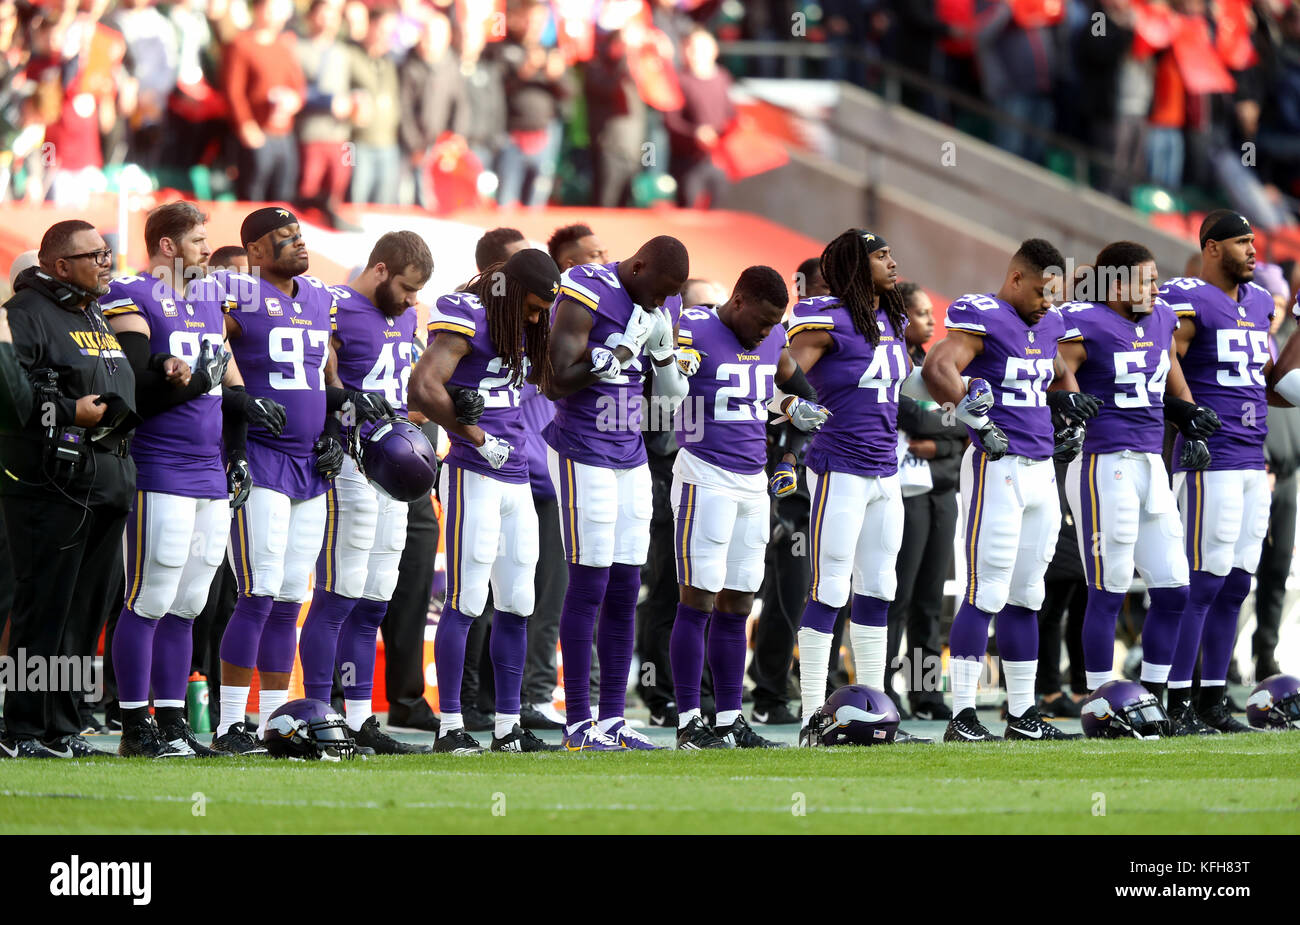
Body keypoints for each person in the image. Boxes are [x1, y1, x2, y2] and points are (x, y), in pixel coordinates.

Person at [207, 207, 385, 753]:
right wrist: (240, 409)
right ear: (256, 252)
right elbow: (206, 353)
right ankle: (229, 724)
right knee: (257, 593)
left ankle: (274, 721)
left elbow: (323, 381)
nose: (298, 245)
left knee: (289, 599)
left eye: (299, 235)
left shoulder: (317, 297)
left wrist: (337, 424)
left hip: (311, 464)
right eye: (283, 240)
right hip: (261, 459)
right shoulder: (233, 293)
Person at [101, 201, 263, 757]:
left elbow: (226, 387)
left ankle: (173, 723)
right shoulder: (135, 293)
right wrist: (192, 383)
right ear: (167, 246)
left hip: (208, 469)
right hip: (160, 464)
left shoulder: (209, 298)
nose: (204, 247)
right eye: (196, 239)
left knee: (190, 602)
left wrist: (237, 451)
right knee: (149, 596)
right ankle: (133, 725)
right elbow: (137, 389)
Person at [919, 238, 1094, 742]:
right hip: (999, 466)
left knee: (1027, 595)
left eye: (1055, 295)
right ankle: (964, 714)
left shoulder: (1052, 323)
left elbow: (1060, 374)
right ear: (1016, 279)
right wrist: (979, 420)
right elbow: (938, 368)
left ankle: (1022, 713)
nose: (1048, 303)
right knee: (985, 590)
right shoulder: (986, 315)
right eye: (1041, 291)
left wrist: (1070, 411)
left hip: (1042, 470)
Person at [1057, 242, 1220, 734]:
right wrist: (1067, 400)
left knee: (1174, 589)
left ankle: (1153, 700)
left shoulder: (1163, 317)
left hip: (1151, 462)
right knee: (1106, 591)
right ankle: (1103, 704)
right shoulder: (1084, 322)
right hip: (1103, 464)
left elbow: (1170, 382)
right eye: (1146, 281)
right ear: (1116, 284)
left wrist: (1190, 420)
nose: (1156, 288)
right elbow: (1048, 370)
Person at [409, 248, 565, 754]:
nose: (538, 317)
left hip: (517, 473)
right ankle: (450, 726)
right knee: (467, 598)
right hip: (473, 472)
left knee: (518, 601)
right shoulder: (468, 312)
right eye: (534, 306)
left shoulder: (526, 324)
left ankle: (506, 726)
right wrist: (470, 433)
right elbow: (423, 384)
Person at [668, 266, 824, 750]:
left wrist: (789, 455)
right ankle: (690, 721)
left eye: (773, 323)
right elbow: (661, 387)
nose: (765, 331)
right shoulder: (691, 325)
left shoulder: (775, 334)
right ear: (737, 302)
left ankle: (730, 718)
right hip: (703, 472)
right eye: (761, 320)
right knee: (697, 599)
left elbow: (807, 398)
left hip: (753, 481)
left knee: (738, 602)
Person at [543, 235, 689, 750]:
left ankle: (612, 720)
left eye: (671, 295)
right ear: (640, 265)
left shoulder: (662, 301)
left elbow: (671, 401)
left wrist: (665, 356)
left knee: (628, 586)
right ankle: (578, 721)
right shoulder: (586, 285)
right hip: (582, 447)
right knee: (590, 583)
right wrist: (617, 352)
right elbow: (554, 379)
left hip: (631, 452)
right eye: (660, 291)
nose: (661, 301)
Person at [0, 220, 137, 758]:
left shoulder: (93, 312)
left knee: (83, 613)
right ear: (60, 266)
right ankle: (22, 730)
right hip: (50, 483)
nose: (107, 262)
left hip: (108, 480)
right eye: (94, 255)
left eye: (107, 253)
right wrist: (69, 413)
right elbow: (11, 401)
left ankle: (62, 726)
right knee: (45, 608)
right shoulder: (26, 314)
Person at [786, 230, 927, 746]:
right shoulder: (825, 320)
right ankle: (812, 716)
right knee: (829, 588)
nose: (893, 262)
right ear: (854, 264)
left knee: (879, 589)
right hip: (837, 466)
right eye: (881, 255)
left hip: (886, 470)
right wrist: (790, 424)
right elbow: (782, 376)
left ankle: (876, 711)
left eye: (891, 252)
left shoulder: (891, 317)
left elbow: (900, 385)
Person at [297, 231, 433, 755]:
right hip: (351, 462)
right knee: (339, 595)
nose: (411, 299)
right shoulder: (332, 306)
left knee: (375, 600)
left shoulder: (408, 317)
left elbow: (406, 391)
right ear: (379, 270)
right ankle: (317, 713)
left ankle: (358, 719)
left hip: (395, 470)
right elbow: (310, 381)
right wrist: (346, 402)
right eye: (405, 286)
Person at [1160, 211, 1273, 734]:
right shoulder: (1188, 298)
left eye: (1254, 240)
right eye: (1242, 241)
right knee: (1201, 583)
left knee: (1235, 586)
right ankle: (1178, 700)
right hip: (1212, 458)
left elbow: (1266, 381)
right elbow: (1162, 359)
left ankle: (1212, 701)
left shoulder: (1261, 303)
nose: (1253, 249)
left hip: (1254, 458)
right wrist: (1187, 412)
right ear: (1211, 248)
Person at [747, 258, 830, 725]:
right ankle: (769, 692)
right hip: (788, 479)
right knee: (788, 591)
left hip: (836, 472)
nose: (826, 296)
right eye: (819, 287)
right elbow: (763, 405)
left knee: (834, 588)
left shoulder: (851, 330)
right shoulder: (787, 334)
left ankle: (824, 684)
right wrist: (786, 455)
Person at [640, 277, 726, 727]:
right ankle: (661, 694)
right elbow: (653, 421)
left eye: (719, 305)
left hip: (719, 480)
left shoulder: (727, 350)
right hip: (668, 473)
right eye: (704, 307)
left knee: (714, 588)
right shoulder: (665, 356)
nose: (714, 315)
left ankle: (706, 692)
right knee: (670, 587)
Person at [886, 281, 960, 720]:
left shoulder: (936, 365)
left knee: (931, 599)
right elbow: (907, 413)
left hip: (941, 490)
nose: (932, 322)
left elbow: (959, 423)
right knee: (897, 595)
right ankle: (884, 689)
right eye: (922, 314)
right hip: (904, 490)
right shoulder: (892, 361)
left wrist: (940, 441)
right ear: (901, 319)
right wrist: (941, 426)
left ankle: (927, 694)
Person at [224, 0, 304, 203]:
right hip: (257, 132)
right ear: (258, 10)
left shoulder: (284, 45)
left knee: (283, 194)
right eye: (270, 9)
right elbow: (233, 90)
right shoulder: (241, 44)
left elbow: (298, 85)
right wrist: (245, 124)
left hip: (284, 134)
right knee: (253, 193)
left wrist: (293, 101)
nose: (275, 16)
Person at [665, 28, 734, 208]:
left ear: (713, 51)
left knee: (718, 209)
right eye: (690, 48)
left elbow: (729, 113)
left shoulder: (722, 77)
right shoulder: (679, 80)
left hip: (717, 159)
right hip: (687, 161)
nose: (694, 54)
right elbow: (671, 121)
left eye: (700, 48)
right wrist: (695, 134)